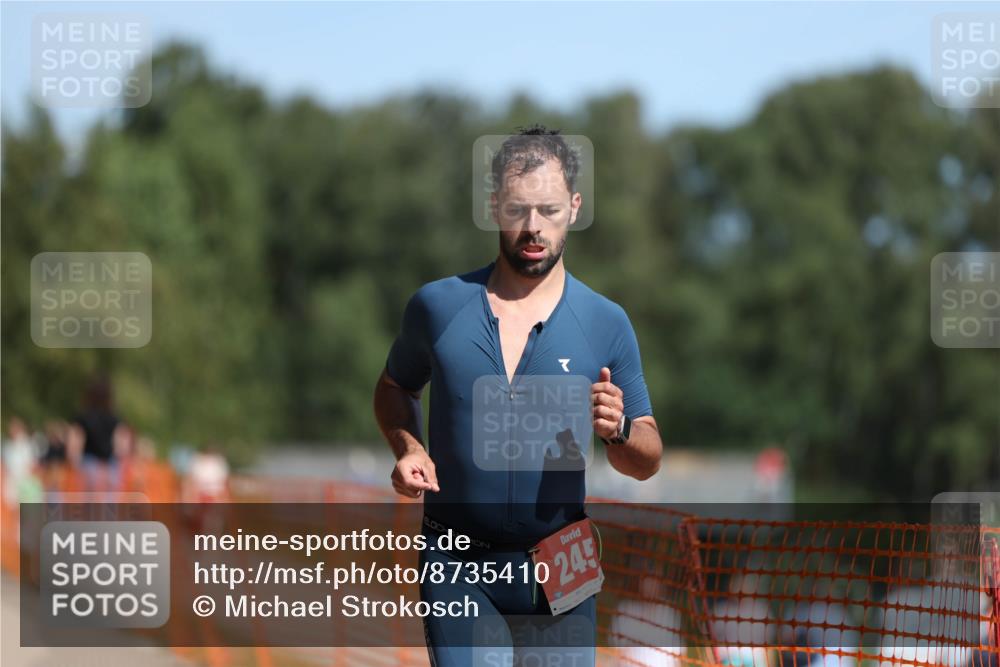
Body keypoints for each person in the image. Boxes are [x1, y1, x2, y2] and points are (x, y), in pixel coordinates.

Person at [373, 126, 664, 666]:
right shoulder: (438, 307)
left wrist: (619, 430)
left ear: (574, 207)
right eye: (518, 209)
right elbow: (394, 387)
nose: (534, 227)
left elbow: (646, 458)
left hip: (564, 559)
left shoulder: (606, 323)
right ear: (493, 206)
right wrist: (408, 447)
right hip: (457, 560)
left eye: (549, 210)